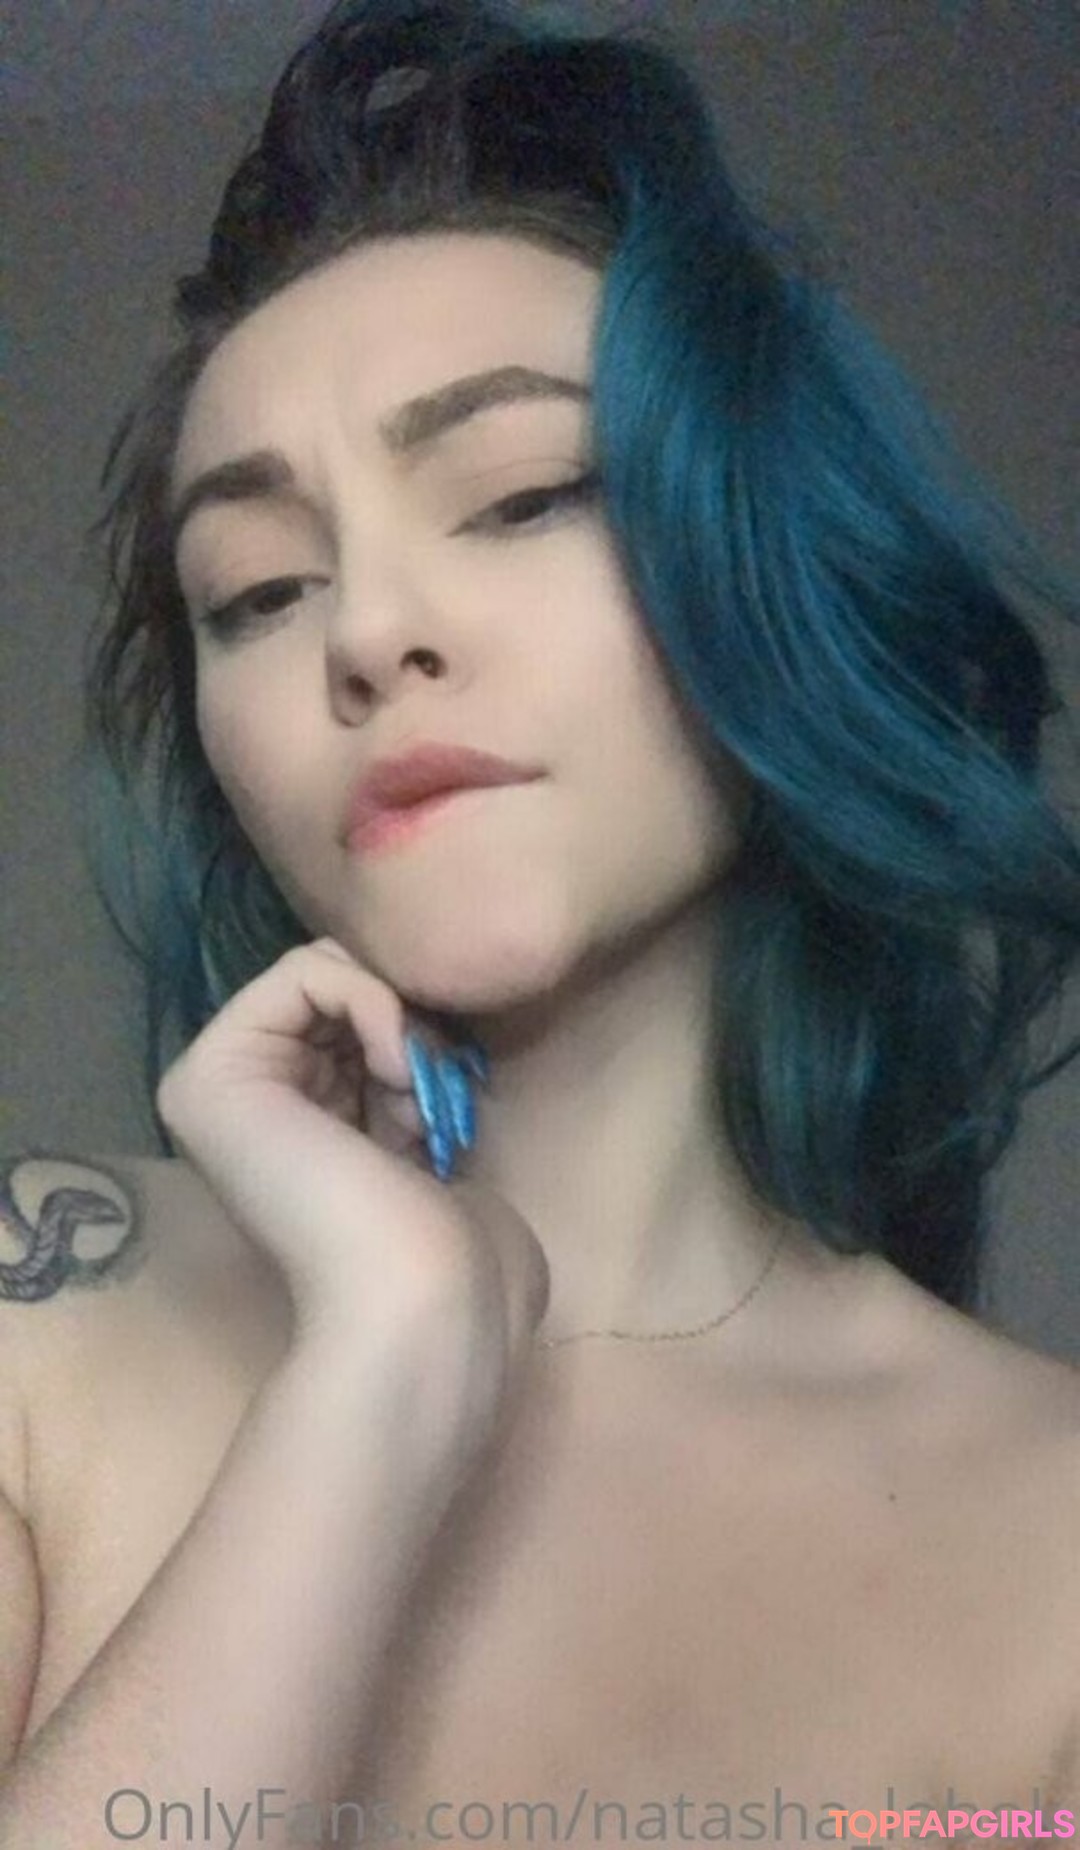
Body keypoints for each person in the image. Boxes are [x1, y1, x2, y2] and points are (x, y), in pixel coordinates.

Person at [2, 1, 1079, 1841]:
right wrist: (383, 1372)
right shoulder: (43, 1316)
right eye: (256, 590)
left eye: (518, 496)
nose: (365, 632)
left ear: (776, 573)